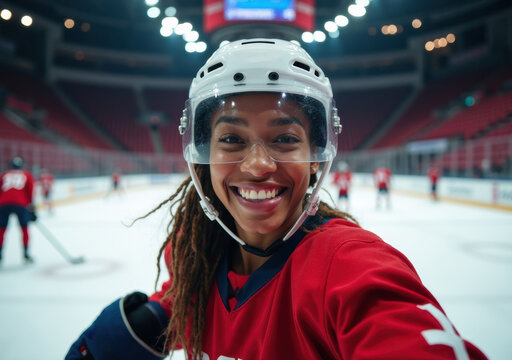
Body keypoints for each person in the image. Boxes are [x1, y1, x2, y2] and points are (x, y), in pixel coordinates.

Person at [66, 39, 487, 360]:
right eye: (231, 139)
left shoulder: (349, 266)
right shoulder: (196, 250)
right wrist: (160, 313)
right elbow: (192, 294)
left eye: (285, 139)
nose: (257, 165)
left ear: (316, 158)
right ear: (202, 155)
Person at [0, 157, 36, 263]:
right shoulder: (27, 175)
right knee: (24, 228)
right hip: (21, 204)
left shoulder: (4, 174)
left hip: (3, 204)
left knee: (1, 230)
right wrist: (32, 209)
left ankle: (0, 254)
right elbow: (30, 191)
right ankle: (26, 254)